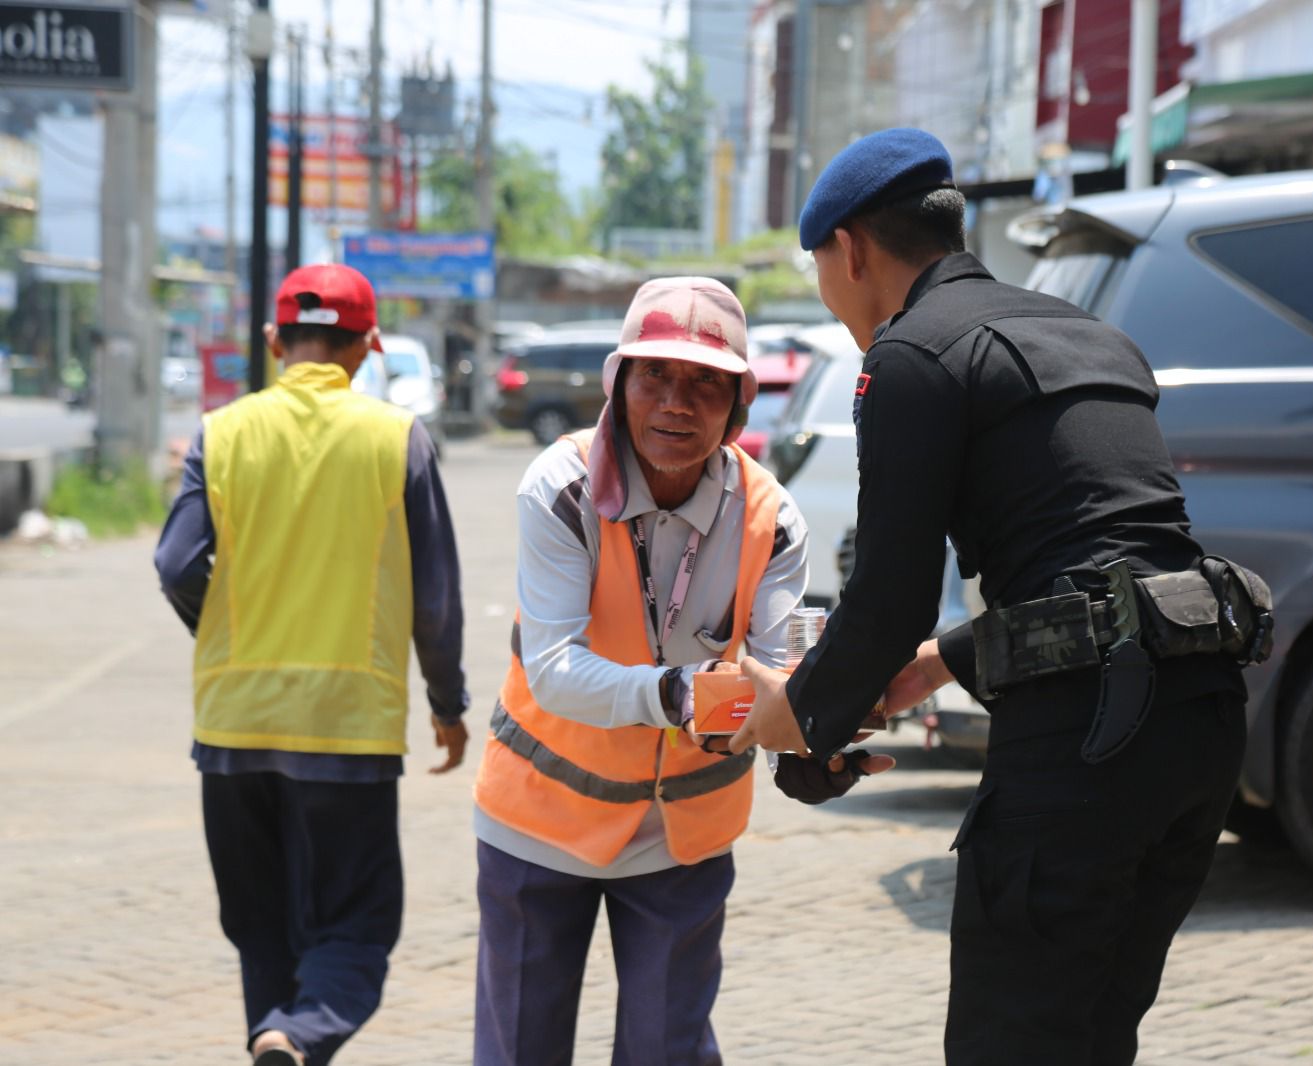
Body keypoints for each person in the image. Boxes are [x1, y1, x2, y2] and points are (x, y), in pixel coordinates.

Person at [729, 129, 1270, 1065]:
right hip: (1200, 724)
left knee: (1012, 1043)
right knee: (1093, 1037)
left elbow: (887, 598)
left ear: (849, 249)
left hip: (1089, 746)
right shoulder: (1090, 334)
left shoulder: (910, 355)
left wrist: (801, 717)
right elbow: (1113, 562)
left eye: (821, 264)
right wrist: (937, 663)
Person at [472, 276, 889, 1066]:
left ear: (739, 406)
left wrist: (810, 739)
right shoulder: (559, 491)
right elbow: (554, 667)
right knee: (520, 1047)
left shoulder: (774, 517)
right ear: (617, 384)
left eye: (706, 382)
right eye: (655, 374)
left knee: (668, 1051)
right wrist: (680, 692)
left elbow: (776, 665)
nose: (676, 401)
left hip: (683, 837)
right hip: (540, 819)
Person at [154, 264, 470, 1066]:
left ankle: (278, 1038)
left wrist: (227, 635)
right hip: (346, 731)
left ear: (273, 341)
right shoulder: (397, 438)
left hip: (232, 724)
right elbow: (434, 601)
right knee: (355, 927)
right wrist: (446, 702)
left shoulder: (220, 434)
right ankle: (299, 1034)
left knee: (260, 929)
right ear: (368, 348)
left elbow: (176, 562)